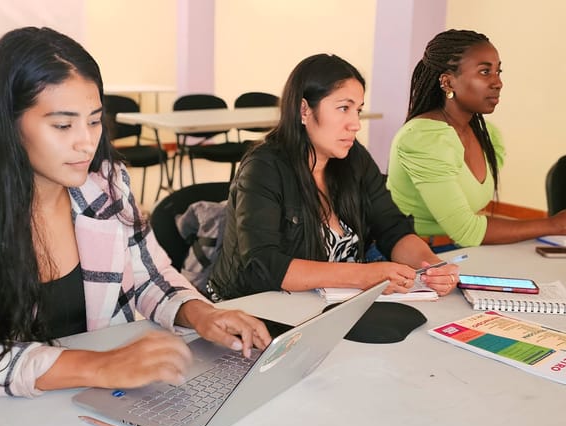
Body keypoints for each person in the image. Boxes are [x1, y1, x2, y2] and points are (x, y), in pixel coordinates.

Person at [0, 27, 270, 426]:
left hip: (94, 408)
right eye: (62, 125)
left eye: (94, 121)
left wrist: (200, 313)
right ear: (8, 124)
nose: (86, 142)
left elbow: (150, 276)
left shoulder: (105, 186)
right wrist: (100, 366)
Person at [208, 53, 459, 302]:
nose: (355, 124)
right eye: (343, 108)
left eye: (357, 110)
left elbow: (392, 227)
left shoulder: (353, 158)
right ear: (303, 109)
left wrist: (433, 266)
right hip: (253, 312)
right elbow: (263, 265)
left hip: (328, 309)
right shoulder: (264, 167)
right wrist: (362, 275)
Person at [387, 29, 566, 250]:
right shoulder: (423, 139)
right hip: (415, 258)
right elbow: (466, 230)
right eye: (484, 72)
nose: (498, 82)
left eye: (498, 72)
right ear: (448, 83)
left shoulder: (488, 134)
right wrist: (553, 224)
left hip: (463, 252)